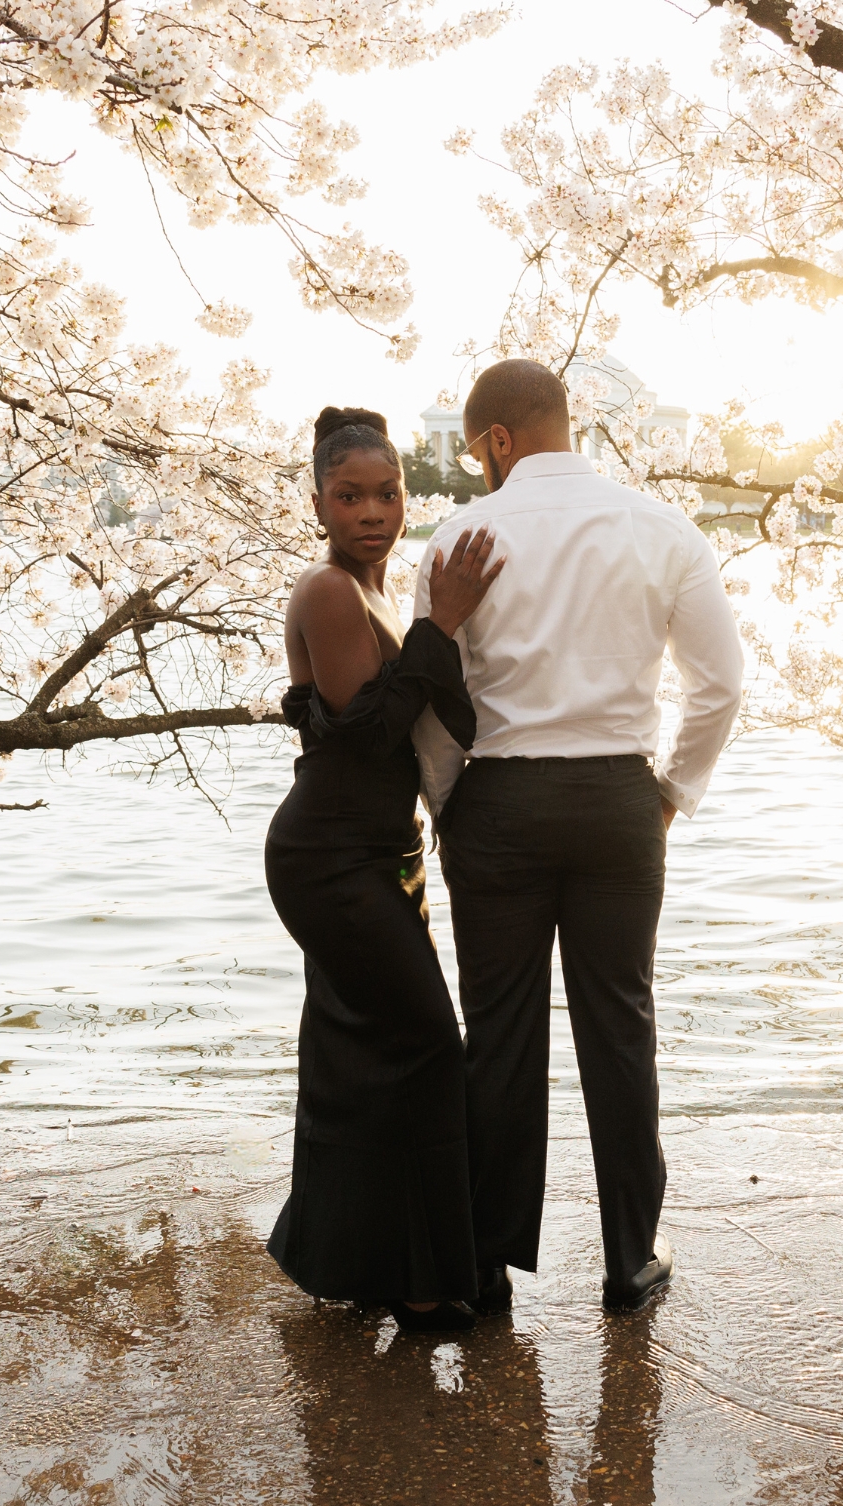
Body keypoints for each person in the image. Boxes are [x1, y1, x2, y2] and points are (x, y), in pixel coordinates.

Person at [413, 359, 744, 1315]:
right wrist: (670, 794)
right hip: (616, 806)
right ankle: (629, 1258)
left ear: (499, 440)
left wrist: (449, 805)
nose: (478, 469)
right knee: (620, 1030)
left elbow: (437, 701)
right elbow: (720, 684)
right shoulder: (661, 528)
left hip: (501, 804)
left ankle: (486, 1266)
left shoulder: (461, 535)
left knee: (500, 1040)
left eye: (478, 450)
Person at [264, 405, 505, 1335]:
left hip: (381, 855)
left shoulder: (372, 588)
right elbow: (366, 726)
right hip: (329, 860)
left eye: (389, 492)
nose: (373, 510)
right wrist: (441, 624)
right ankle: (417, 1280)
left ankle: (349, 1262)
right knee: (425, 1048)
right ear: (319, 502)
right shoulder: (329, 590)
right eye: (350, 495)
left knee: (354, 1055)